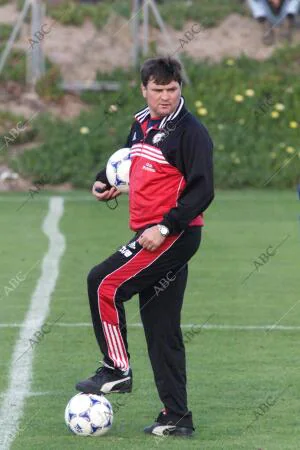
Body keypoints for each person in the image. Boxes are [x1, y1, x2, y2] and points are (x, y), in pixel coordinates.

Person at [75, 57, 214, 437]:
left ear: (179, 88)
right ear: (144, 89)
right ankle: (177, 416)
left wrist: (166, 226)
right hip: (152, 233)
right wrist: (105, 183)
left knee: (102, 282)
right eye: (158, 90)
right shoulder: (141, 122)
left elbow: (203, 189)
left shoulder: (191, 132)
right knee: (161, 328)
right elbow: (127, 162)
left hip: (174, 236)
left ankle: (116, 370)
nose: (166, 96)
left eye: (172, 89)